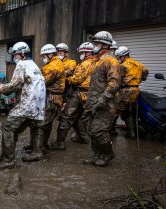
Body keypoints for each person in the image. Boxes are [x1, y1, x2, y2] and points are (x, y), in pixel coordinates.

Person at [0, 42, 46, 170]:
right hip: (39, 106)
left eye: (15, 54)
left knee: (8, 127)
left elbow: (14, 85)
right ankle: (36, 152)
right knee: (33, 126)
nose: (14, 57)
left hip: (27, 103)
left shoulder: (22, 64)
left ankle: (8, 160)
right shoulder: (34, 65)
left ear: (22, 54)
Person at [49, 42, 97, 150]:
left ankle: (59, 143)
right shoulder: (95, 62)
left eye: (82, 52)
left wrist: (65, 79)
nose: (80, 54)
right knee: (77, 117)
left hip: (80, 93)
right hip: (89, 93)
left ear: (87, 52)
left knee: (66, 117)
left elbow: (76, 79)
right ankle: (84, 137)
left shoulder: (84, 64)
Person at [83, 31, 121, 167]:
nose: (94, 45)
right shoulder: (97, 61)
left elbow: (114, 83)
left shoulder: (111, 61)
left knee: (99, 131)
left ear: (105, 45)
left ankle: (107, 154)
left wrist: (103, 100)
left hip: (105, 104)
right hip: (93, 103)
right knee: (91, 130)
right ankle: (96, 155)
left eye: (97, 43)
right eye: (94, 43)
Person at [113, 46, 148, 138]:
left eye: (119, 57)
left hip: (125, 91)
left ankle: (109, 131)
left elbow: (117, 80)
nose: (118, 59)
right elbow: (146, 71)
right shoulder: (139, 64)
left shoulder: (122, 66)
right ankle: (131, 133)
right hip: (135, 91)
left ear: (123, 56)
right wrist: (141, 79)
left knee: (114, 111)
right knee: (128, 112)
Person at [40, 44, 66, 148]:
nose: (43, 58)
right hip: (54, 97)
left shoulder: (53, 66)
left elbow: (43, 82)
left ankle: (38, 149)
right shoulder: (54, 63)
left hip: (52, 98)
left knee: (42, 124)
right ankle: (42, 144)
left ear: (50, 54)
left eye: (44, 56)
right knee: (48, 122)